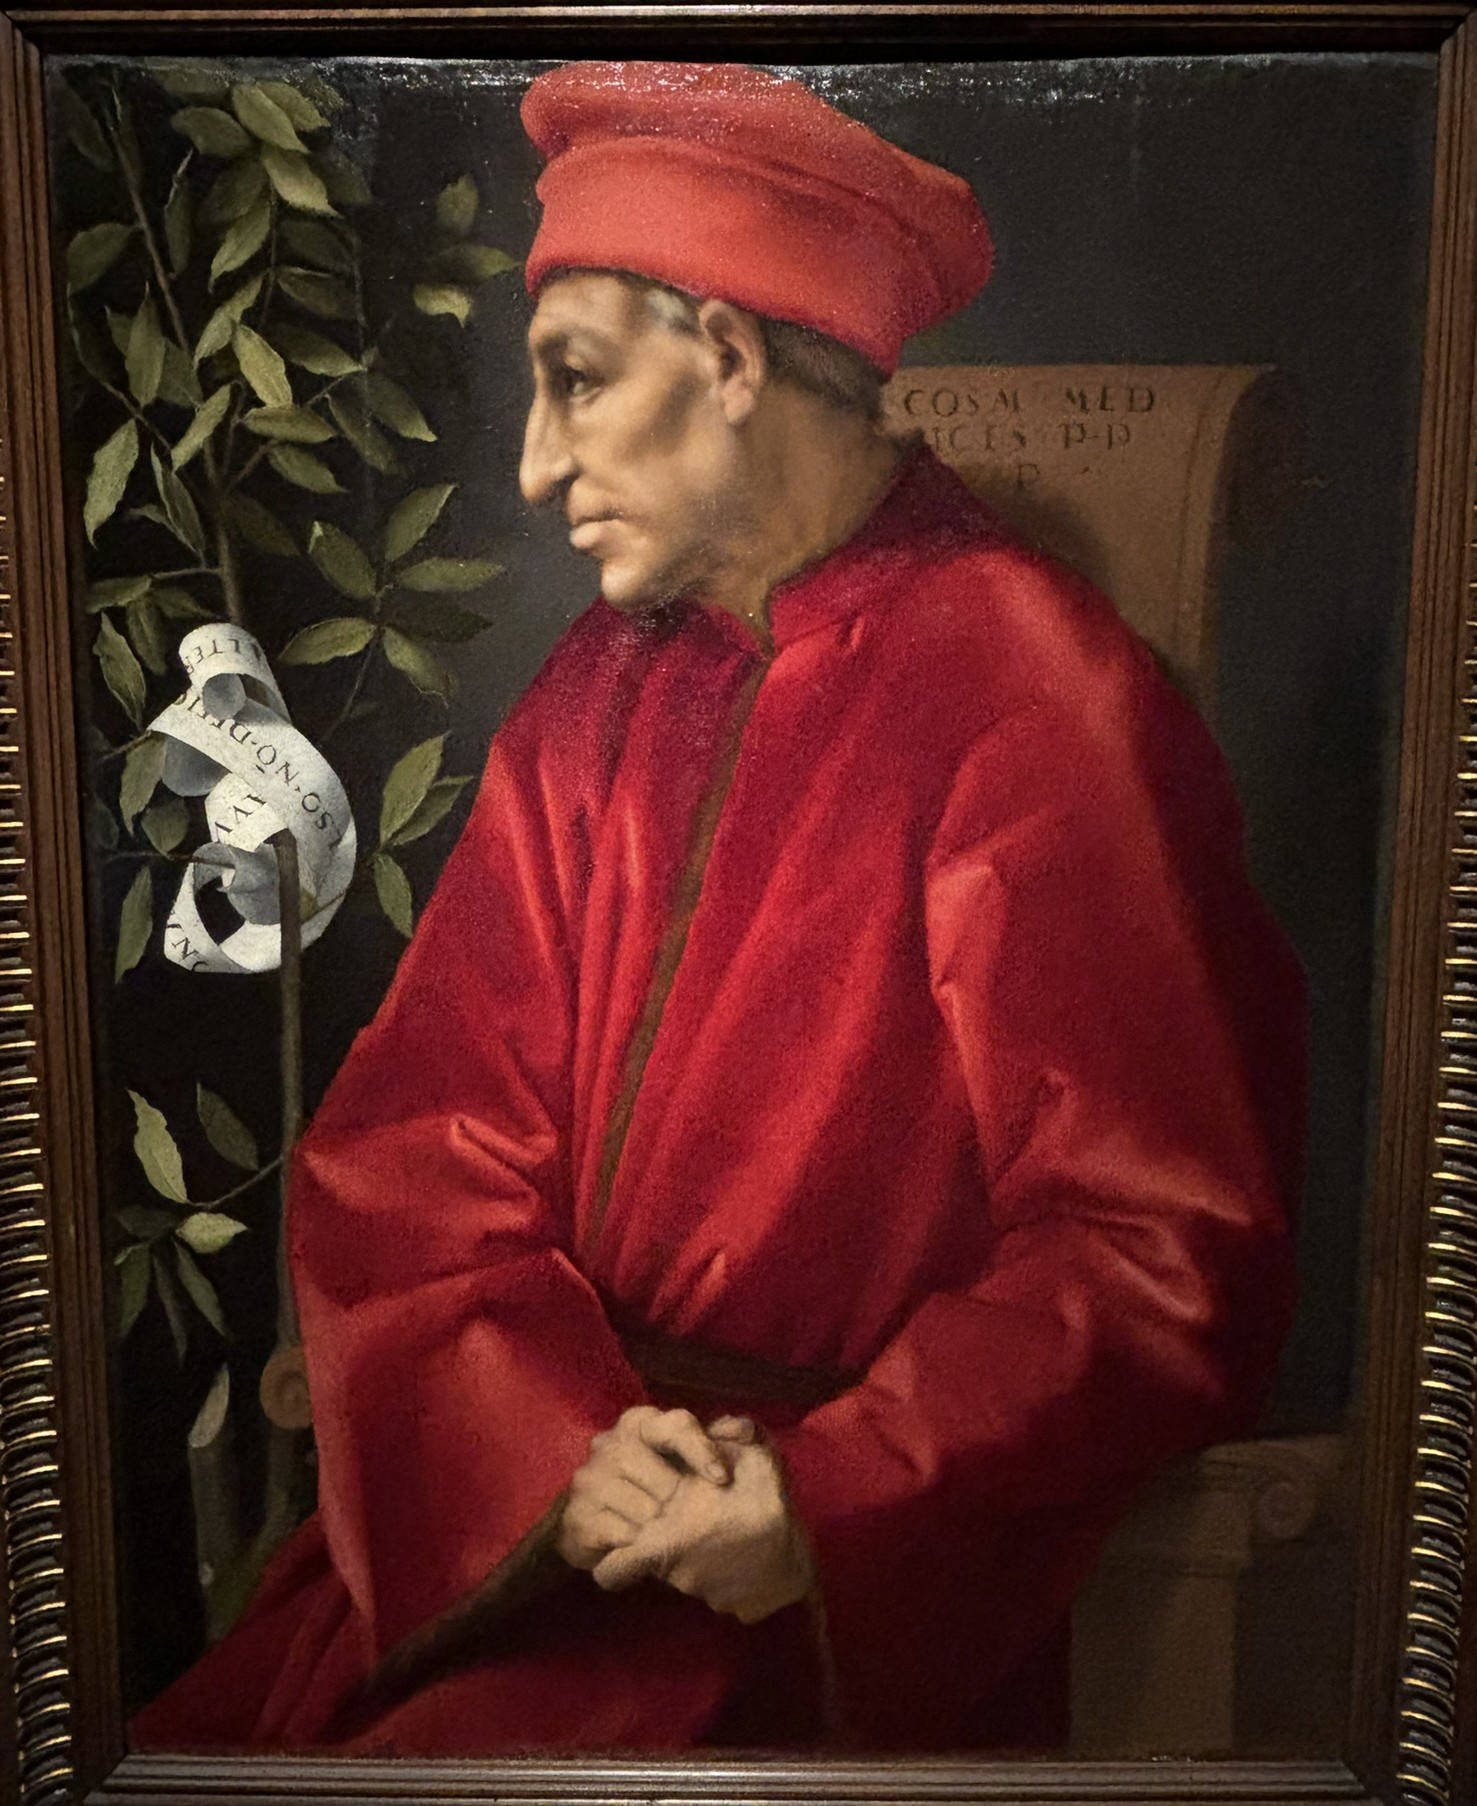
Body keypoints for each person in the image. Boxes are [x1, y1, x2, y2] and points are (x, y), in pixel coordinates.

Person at [133, 59, 1304, 1757]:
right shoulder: (594, 692)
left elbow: (1159, 1246)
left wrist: (823, 1495)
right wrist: (555, 1446)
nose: (535, 467)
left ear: (732, 358)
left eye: (576, 382)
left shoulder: (1037, 691)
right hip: (539, 1529)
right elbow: (412, 1147)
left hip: (803, 1600)